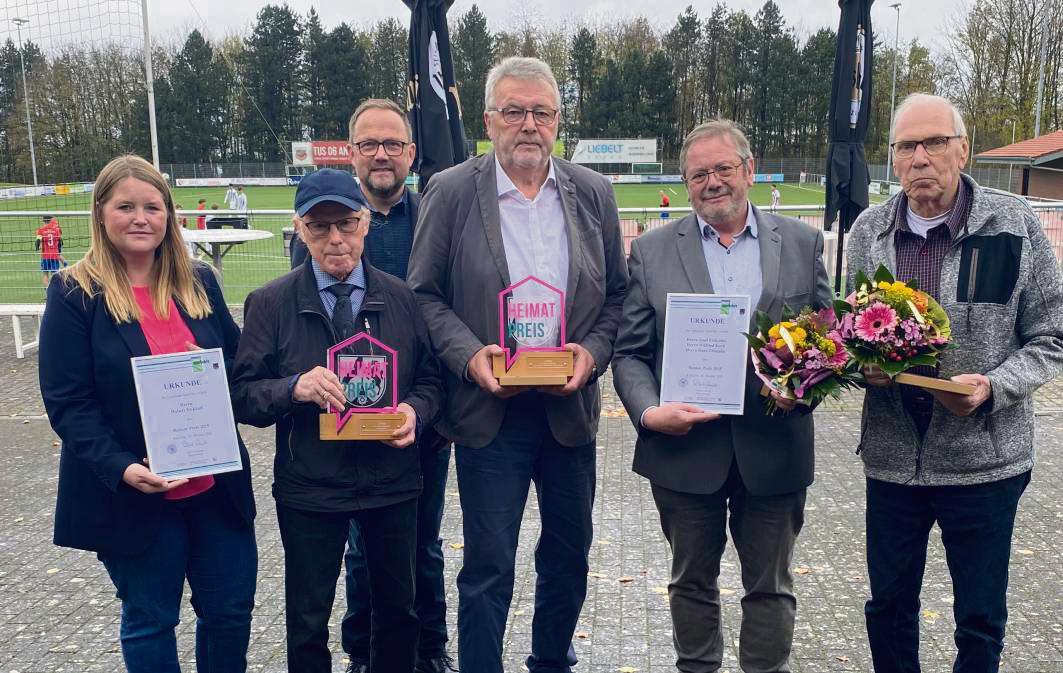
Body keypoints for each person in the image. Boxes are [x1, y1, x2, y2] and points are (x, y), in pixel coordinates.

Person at [407, 56, 628, 673]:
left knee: (569, 556)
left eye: (541, 112)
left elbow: (617, 295)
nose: (528, 124)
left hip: (568, 410)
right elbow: (423, 294)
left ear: (558, 120)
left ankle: (551, 659)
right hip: (487, 413)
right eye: (514, 111)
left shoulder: (593, 193)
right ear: (489, 120)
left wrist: (593, 353)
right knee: (488, 564)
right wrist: (468, 355)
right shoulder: (450, 192)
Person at [846, 93, 1063, 673]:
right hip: (893, 460)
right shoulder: (869, 232)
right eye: (907, 146)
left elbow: (1051, 336)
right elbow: (854, 329)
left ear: (962, 149)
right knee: (888, 607)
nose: (921, 158)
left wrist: (993, 388)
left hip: (984, 464)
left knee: (980, 620)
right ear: (892, 159)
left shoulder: (1012, 225)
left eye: (934, 142)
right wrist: (861, 368)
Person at [612, 119, 831, 673]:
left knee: (771, 588)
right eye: (699, 174)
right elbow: (630, 352)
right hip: (684, 449)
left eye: (723, 169)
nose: (713, 182)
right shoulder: (655, 249)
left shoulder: (803, 243)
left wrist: (802, 388)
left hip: (775, 445)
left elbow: (829, 343)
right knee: (690, 583)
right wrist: (646, 410)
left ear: (749, 171)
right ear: (686, 184)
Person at [38, 154, 257, 672]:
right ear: (101, 212)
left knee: (229, 613)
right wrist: (120, 467)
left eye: (152, 207)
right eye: (126, 206)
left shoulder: (198, 282)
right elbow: (69, 404)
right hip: (137, 493)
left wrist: (293, 377)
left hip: (213, 486)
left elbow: (237, 365)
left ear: (168, 215)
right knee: (151, 620)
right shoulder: (75, 293)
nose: (141, 217)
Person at [231, 168, 443, 673]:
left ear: (366, 223)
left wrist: (414, 411)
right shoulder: (270, 303)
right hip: (311, 485)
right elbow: (241, 396)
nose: (335, 239)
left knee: (398, 612)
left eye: (346, 224)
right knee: (308, 618)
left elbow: (433, 381)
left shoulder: (402, 298)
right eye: (319, 226)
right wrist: (294, 388)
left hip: (391, 481)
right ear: (299, 229)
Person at [328, 98, 455, 673]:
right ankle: (364, 652)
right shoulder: (330, 224)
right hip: (352, 415)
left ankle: (430, 649)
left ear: (410, 153)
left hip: (421, 415)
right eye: (369, 145)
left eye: (392, 144)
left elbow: (451, 315)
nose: (381, 155)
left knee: (423, 545)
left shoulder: (435, 217)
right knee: (360, 549)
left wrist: (436, 409)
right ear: (352, 153)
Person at [36, 215, 64, 286]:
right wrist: (59, 250)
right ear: (51, 220)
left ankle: (48, 293)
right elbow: (60, 241)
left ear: (43, 220)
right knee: (55, 275)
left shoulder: (41, 230)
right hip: (54, 256)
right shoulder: (56, 230)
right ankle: (54, 293)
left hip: (45, 257)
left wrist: (37, 247)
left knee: (45, 274)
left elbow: (37, 241)